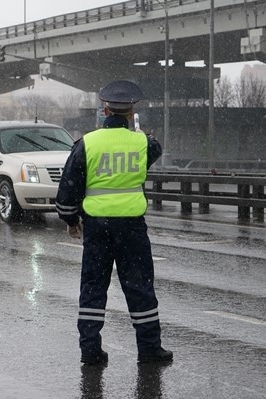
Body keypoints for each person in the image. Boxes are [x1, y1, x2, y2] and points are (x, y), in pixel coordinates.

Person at [56, 80, 173, 366]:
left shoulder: (87, 144)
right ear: (132, 111)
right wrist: (139, 135)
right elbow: (155, 149)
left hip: (97, 227)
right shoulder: (143, 144)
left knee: (93, 287)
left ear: (104, 110)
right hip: (132, 228)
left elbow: (67, 191)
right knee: (140, 287)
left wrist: (71, 219)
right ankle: (149, 349)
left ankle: (90, 350)